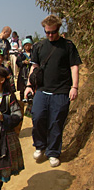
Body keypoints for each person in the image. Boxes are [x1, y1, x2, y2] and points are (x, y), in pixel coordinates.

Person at [24, 14, 82, 167]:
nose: (50, 35)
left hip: (62, 91)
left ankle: (53, 152)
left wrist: (74, 87)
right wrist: (29, 86)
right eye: (47, 32)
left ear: (58, 29)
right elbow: (34, 67)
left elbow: (74, 66)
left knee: (56, 122)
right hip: (42, 89)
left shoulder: (68, 46)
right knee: (37, 117)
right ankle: (40, 146)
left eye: (53, 32)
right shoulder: (39, 46)